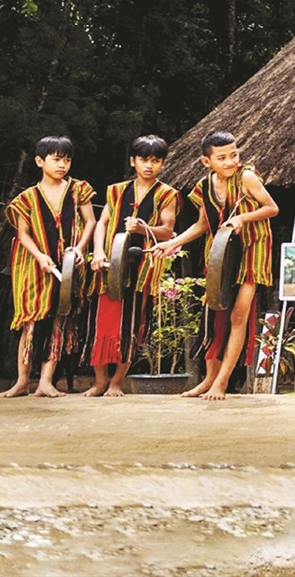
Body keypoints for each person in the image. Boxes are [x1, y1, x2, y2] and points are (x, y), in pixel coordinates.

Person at [157, 131, 279, 401]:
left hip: (252, 251)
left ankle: (221, 382)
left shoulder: (246, 176)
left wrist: (242, 219)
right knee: (213, 317)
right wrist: (171, 243)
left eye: (234, 154)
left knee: (238, 316)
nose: (230, 161)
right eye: (222, 158)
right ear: (206, 161)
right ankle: (208, 380)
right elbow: (202, 224)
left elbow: (272, 208)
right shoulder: (203, 186)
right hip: (220, 253)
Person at [1, 137, 97, 398]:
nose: (62, 165)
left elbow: (90, 222)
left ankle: (45, 381)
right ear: (40, 161)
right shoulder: (26, 198)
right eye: (56, 159)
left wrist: (79, 248)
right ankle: (22, 381)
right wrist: (40, 256)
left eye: (67, 160)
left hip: (68, 263)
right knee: (31, 321)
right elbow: (23, 233)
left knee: (59, 318)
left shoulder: (79, 190)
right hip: (33, 264)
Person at [86, 136, 180, 397]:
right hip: (108, 265)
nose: (149, 166)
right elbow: (102, 224)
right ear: (133, 161)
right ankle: (100, 381)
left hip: (141, 268)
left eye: (155, 161)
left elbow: (168, 230)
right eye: (143, 160)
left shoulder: (167, 194)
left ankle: (117, 382)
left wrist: (143, 228)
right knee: (102, 324)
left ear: (162, 163)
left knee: (130, 326)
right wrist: (98, 252)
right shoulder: (116, 191)